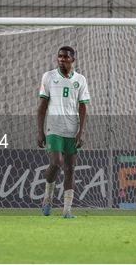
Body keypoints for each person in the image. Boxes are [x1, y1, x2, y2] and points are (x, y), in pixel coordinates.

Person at [37, 46, 90, 218]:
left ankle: (67, 210)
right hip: (54, 127)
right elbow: (42, 106)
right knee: (56, 162)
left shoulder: (80, 79)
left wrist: (80, 132)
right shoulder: (49, 76)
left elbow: (83, 107)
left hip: (72, 128)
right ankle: (48, 197)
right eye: (59, 57)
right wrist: (40, 131)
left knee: (70, 168)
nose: (62, 59)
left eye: (65, 57)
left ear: (72, 59)